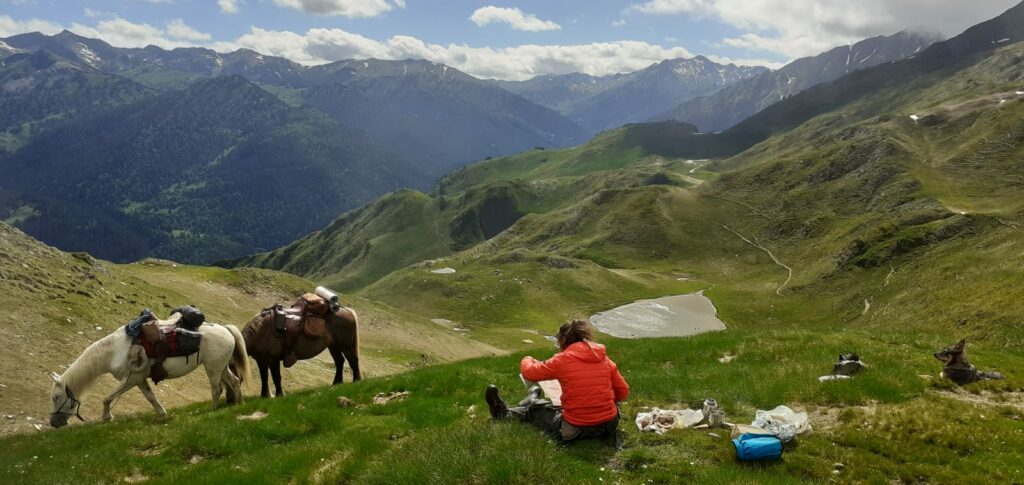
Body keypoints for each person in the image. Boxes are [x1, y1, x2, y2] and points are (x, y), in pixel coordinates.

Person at [485, 319, 629, 445]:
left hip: (576, 428)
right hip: (609, 424)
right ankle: (531, 398)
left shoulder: (562, 360)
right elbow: (623, 392)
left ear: (562, 340)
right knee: (557, 405)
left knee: (536, 410)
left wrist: (527, 358)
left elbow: (529, 372)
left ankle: (505, 414)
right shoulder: (604, 359)